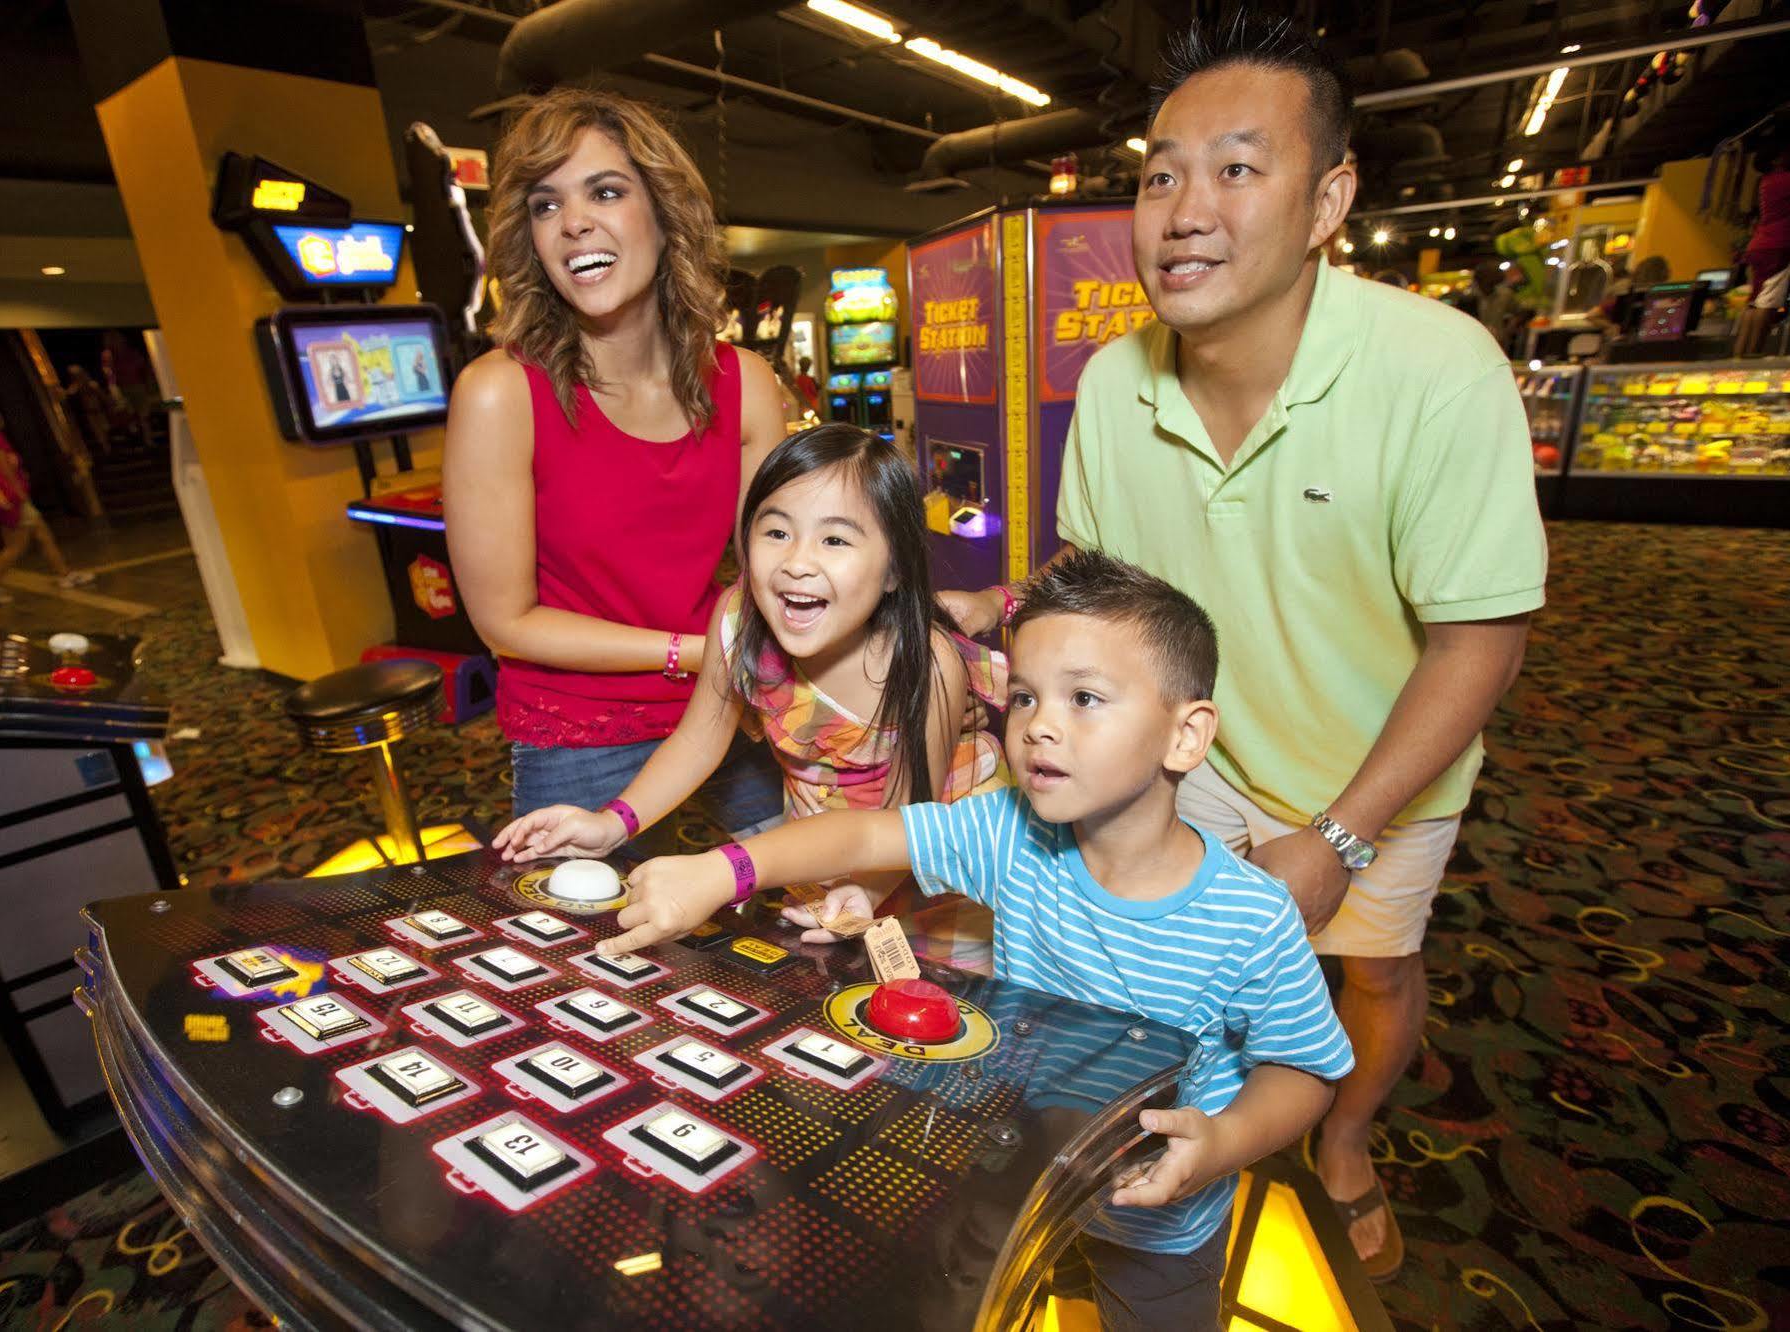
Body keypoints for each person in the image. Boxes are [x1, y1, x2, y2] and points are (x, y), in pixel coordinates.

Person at [939, 12, 1544, 1281]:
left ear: (1329, 200)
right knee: (1142, 958)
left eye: (1234, 168)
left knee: (1368, 981)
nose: (1183, 208)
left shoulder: (1440, 369)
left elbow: (1479, 637)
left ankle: (1346, 1136)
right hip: (1190, 743)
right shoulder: (1114, 381)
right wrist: (993, 620)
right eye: (1160, 173)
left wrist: (1336, 838)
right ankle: (1172, 1133)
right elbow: (1099, 589)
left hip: (1381, 752)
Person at [608, 550, 1355, 1331]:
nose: (1039, 727)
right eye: (1025, 696)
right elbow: (865, 836)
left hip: (1156, 1220)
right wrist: (725, 871)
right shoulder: (1009, 834)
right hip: (1009, 1169)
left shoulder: (1252, 917)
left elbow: (1305, 1071)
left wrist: (1224, 1141)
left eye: (1085, 698)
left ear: (1184, 735)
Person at [494, 423, 1008, 968]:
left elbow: (908, 821)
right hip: (819, 855)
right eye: (777, 532)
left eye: (835, 539)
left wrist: (873, 890)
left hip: (940, 867)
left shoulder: (926, 663)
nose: (797, 562)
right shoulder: (739, 619)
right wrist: (611, 821)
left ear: (894, 570)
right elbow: (697, 742)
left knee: (946, 1015)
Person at [443, 88, 787, 835]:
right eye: (544, 205)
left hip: (727, 712)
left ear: (665, 216)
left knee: (801, 938)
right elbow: (506, 621)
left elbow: (779, 569)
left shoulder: (747, 384)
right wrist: (698, 653)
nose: (572, 224)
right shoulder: (499, 393)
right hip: (580, 737)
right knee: (600, 954)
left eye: (605, 191)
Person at [0, 404, 94, 603]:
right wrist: (20, 493)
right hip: (12, 500)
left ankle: (64, 574)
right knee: (16, 546)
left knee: (43, 536)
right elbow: (4, 468)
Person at [1735, 140, 1789, 358]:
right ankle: (1754, 355)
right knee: (1769, 301)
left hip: (1760, 244)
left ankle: (1739, 358)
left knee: (1754, 302)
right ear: (1775, 159)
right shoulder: (1785, 180)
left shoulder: (1766, 181)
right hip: (1779, 245)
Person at [1466, 262, 1519, 353]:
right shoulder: (1470, 299)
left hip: (1499, 342)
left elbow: (1518, 312)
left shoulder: (1505, 295)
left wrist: (1510, 328)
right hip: (1476, 342)